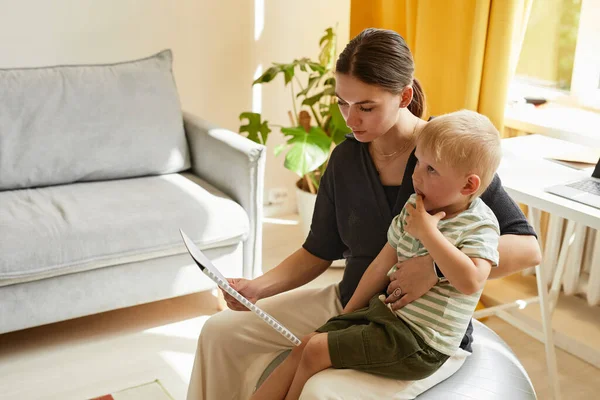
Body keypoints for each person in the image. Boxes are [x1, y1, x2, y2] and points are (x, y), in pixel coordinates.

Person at [186, 28, 541, 400]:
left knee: (321, 388)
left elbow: (527, 248)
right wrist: (257, 288)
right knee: (220, 332)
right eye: (342, 103)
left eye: (366, 107)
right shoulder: (345, 159)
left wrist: (434, 269)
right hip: (351, 301)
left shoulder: (445, 155)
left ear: (404, 96)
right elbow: (318, 250)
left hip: (414, 328)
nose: (350, 119)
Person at [250, 110, 503, 400]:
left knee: (316, 350)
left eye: (431, 169)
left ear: (468, 185)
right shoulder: (414, 207)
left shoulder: (479, 224)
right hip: (387, 320)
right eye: (418, 161)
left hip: (422, 343)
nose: (416, 175)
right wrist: (345, 317)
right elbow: (380, 265)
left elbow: (471, 280)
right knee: (309, 343)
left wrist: (428, 234)